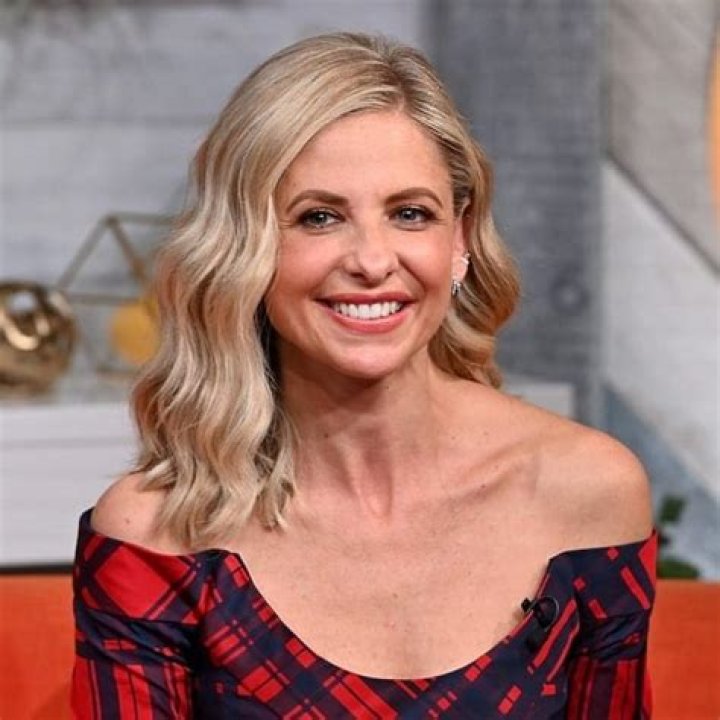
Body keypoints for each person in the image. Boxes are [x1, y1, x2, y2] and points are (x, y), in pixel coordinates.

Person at [72, 32, 656, 718]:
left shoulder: (589, 492)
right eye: (318, 218)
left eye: (410, 214)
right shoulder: (155, 533)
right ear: (245, 247)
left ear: (459, 238)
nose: (373, 261)